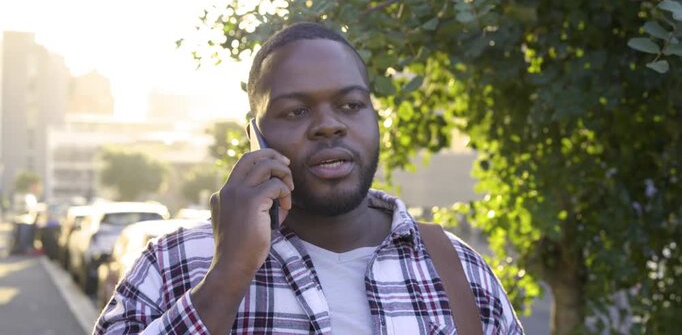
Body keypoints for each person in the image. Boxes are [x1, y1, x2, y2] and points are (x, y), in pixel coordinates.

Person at [94, 22, 523, 334]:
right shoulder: (171, 264)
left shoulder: (460, 268)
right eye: (296, 111)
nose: (328, 126)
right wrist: (227, 275)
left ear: (375, 119)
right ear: (255, 136)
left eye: (351, 105)